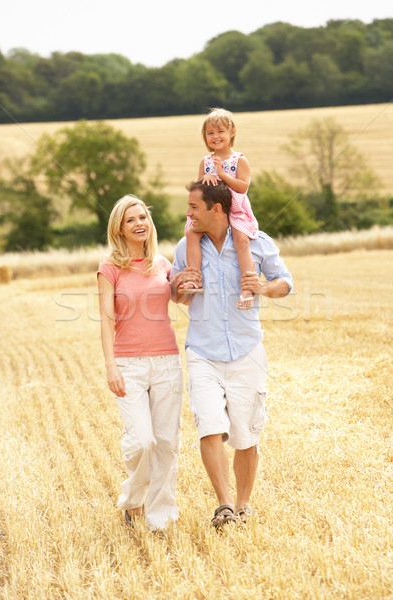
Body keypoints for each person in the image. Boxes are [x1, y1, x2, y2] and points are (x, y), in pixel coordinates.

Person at [172, 181, 293, 529]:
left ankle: (242, 505)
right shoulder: (186, 246)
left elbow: (285, 280)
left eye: (194, 207)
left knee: (246, 435)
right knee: (209, 427)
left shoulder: (255, 241)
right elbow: (177, 297)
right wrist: (178, 288)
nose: (188, 213)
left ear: (217, 209)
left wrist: (265, 288)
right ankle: (223, 504)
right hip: (203, 352)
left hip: (247, 351)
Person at [97, 194, 183, 533]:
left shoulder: (162, 264)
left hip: (167, 362)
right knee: (142, 441)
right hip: (128, 364)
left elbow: (184, 296)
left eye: (143, 218)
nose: (139, 224)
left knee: (166, 442)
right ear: (119, 227)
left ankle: (161, 517)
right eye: (131, 219)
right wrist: (110, 367)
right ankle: (133, 497)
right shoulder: (109, 268)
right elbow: (105, 320)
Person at [182, 107, 259, 310]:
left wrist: (220, 175)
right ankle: (194, 277)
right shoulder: (205, 161)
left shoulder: (239, 160)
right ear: (205, 137)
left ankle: (248, 285)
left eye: (220, 131)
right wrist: (205, 179)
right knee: (191, 234)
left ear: (232, 132)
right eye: (210, 133)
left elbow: (243, 187)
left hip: (233, 208)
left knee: (240, 237)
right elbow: (198, 191)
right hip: (210, 211)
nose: (215, 136)